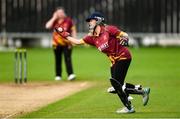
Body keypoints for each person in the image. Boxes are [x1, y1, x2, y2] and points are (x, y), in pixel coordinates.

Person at [55, 12, 150, 113]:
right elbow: (77, 42)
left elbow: (124, 34)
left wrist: (125, 39)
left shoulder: (108, 29)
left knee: (116, 84)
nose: (89, 23)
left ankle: (129, 108)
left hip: (123, 57)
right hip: (113, 62)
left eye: (91, 20)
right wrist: (64, 34)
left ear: (98, 20)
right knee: (116, 86)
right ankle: (142, 91)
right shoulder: (92, 37)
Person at [45, 7, 76, 81]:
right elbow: (47, 26)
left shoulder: (68, 20)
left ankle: (70, 74)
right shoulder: (54, 21)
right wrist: (53, 17)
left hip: (67, 43)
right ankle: (58, 75)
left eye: (61, 12)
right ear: (56, 13)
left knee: (67, 59)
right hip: (56, 44)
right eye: (58, 13)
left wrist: (74, 40)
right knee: (57, 59)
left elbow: (73, 30)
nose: (60, 14)